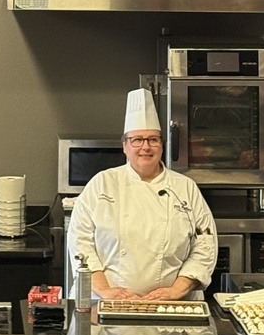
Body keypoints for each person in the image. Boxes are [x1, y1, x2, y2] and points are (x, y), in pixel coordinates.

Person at [67, 88, 218, 302]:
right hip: (105, 303)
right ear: (125, 146)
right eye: (137, 140)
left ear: (161, 145)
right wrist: (106, 290)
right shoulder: (102, 184)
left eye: (153, 140)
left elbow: (205, 245)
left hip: (171, 306)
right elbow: (80, 242)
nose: (145, 147)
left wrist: (176, 290)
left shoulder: (185, 188)